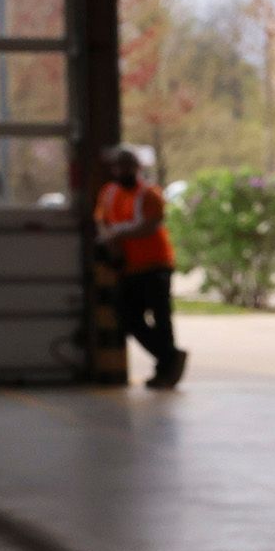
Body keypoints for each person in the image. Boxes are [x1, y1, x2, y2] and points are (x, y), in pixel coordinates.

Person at [94, 146, 183, 388]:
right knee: (129, 318)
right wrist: (111, 242)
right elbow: (101, 220)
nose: (123, 171)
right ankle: (170, 357)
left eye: (128, 166)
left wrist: (118, 233)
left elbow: (150, 225)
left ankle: (165, 370)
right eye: (119, 166)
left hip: (155, 266)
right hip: (129, 268)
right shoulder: (109, 193)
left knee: (161, 318)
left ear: (137, 168)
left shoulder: (150, 195)